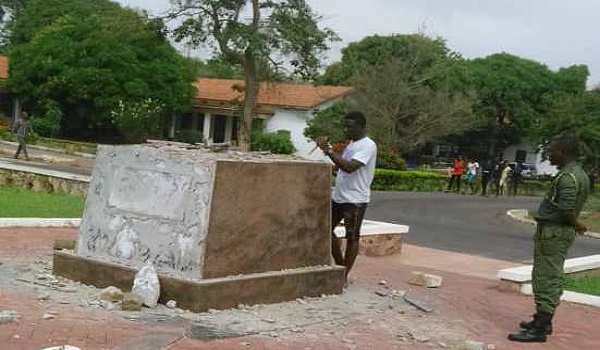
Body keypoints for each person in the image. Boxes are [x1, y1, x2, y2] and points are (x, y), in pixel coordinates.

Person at [508, 132, 589, 343]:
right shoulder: (575, 173)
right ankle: (541, 319)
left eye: (552, 152)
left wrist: (577, 225)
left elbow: (566, 210)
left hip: (555, 232)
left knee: (547, 277)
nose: (549, 156)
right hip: (554, 231)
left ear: (563, 153)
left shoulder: (569, 178)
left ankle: (541, 329)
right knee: (544, 275)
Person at [316, 111, 377, 284]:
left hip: (355, 199)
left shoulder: (368, 145)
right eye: (344, 125)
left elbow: (350, 167)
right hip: (340, 196)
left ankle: (342, 275)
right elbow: (341, 168)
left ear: (361, 127)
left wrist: (328, 151)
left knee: (352, 238)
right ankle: (341, 267)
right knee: (326, 230)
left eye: (349, 126)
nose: (345, 129)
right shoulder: (352, 144)